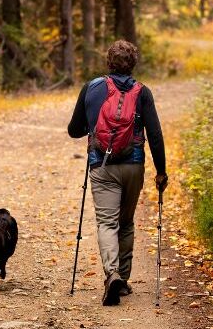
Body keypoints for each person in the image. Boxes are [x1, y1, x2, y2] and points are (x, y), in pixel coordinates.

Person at [67, 40, 168, 306]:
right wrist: (161, 171)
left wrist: (94, 122)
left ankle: (112, 274)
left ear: (108, 62)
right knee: (126, 222)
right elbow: (155, 135)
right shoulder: (142, 92)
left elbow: (74, 130)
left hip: (101, 166)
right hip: (133, 165)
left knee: (106, 222)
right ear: (133, 64)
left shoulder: (91, 88)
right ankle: (123, 279)